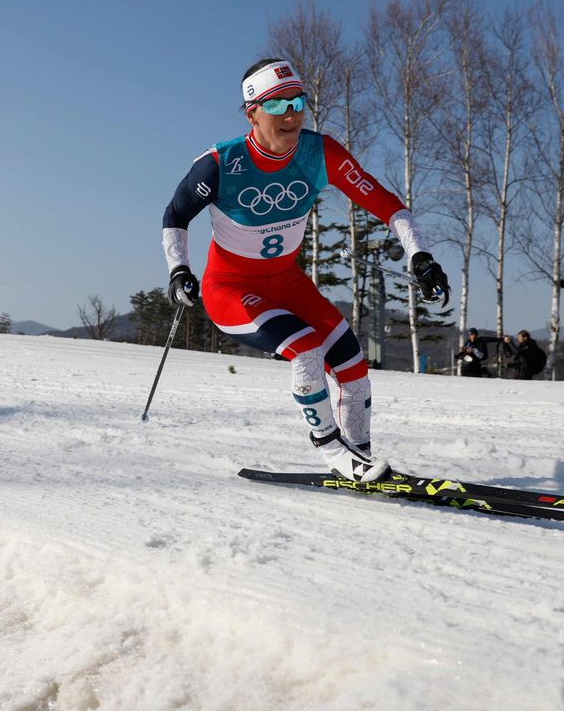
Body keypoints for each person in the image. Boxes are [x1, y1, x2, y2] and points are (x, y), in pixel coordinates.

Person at [161, 58, 450, 482]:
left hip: (288, 283)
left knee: (353, 367)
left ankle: (360, 455)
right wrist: (178, 270)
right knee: (307, 348)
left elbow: (386, 203)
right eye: (278, 105)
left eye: (298, 102)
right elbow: (175, 214)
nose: (292, 114)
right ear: (252, 112)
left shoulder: (321, 153)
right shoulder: (220, 163)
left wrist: (419, 255)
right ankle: (333, 451)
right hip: (232, 290)